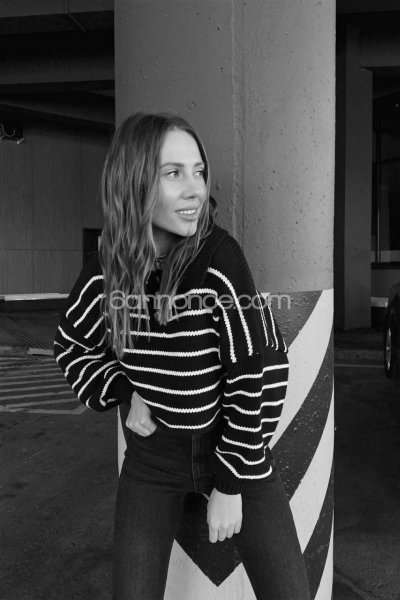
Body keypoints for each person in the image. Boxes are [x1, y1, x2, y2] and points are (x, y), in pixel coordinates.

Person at [54, 112, 311, 600]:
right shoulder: (106, 271)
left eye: (199, 171)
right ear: (133, 183)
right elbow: (71, 347)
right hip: (153, 460)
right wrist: (125, 390)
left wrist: (231, 483)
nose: (195, 189)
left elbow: (251, 374)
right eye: (173, 173)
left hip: (235, 447)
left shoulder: (219, 258)